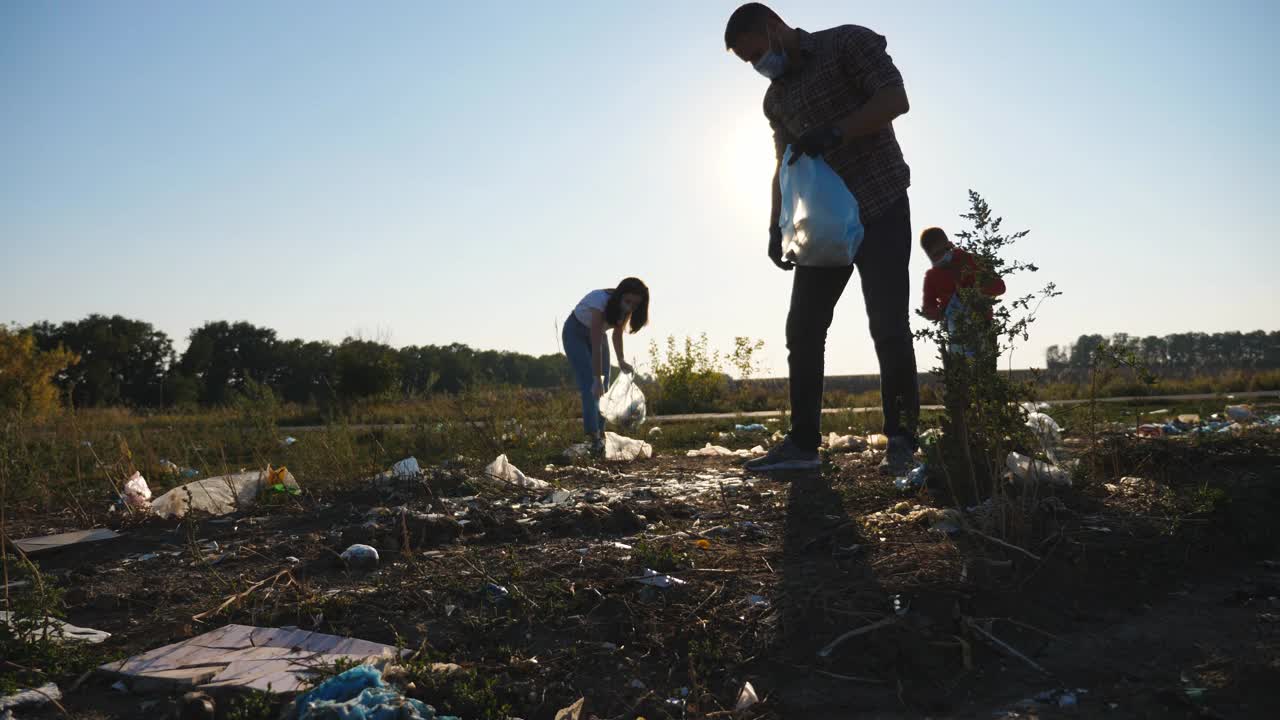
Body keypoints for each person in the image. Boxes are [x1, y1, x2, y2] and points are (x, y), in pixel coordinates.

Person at [724, 3, 918, 474]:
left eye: (757, 54)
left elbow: (894, 99)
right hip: (826, 227)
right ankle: (803, 445)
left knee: (888, 326)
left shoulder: (847, 42)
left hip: (881, 204)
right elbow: (782, 165)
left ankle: (903, 440)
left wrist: (836, 132)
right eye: (749, 63)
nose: (758, 66)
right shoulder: (776, 98)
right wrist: (776, 226)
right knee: (804, 329)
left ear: (773, 27)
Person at [562, 278, 649, 454]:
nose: (630, 307)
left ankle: (601, 434)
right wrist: (596, 378)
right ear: (620, 295)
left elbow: (617, 335)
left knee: (605, 386)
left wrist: (621, 360)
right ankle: (593, 436)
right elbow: (595, 343)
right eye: (628, 302)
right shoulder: (599, 300)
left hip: (599, 335)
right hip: (575, 332)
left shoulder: (624, 309)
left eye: (635, 305)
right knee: (591, 385)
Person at [920, 226, 1006, 361]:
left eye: (939, 253)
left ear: (948, 245)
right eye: (933, 256)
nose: (937, 259)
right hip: (956, 333)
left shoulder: (971, 260)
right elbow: (928, 308)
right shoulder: (932, 276)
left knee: (985, 376)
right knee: (960, 379)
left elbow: (1000, 287)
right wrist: (942, 311)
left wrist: (973, 291)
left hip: (983, 327)